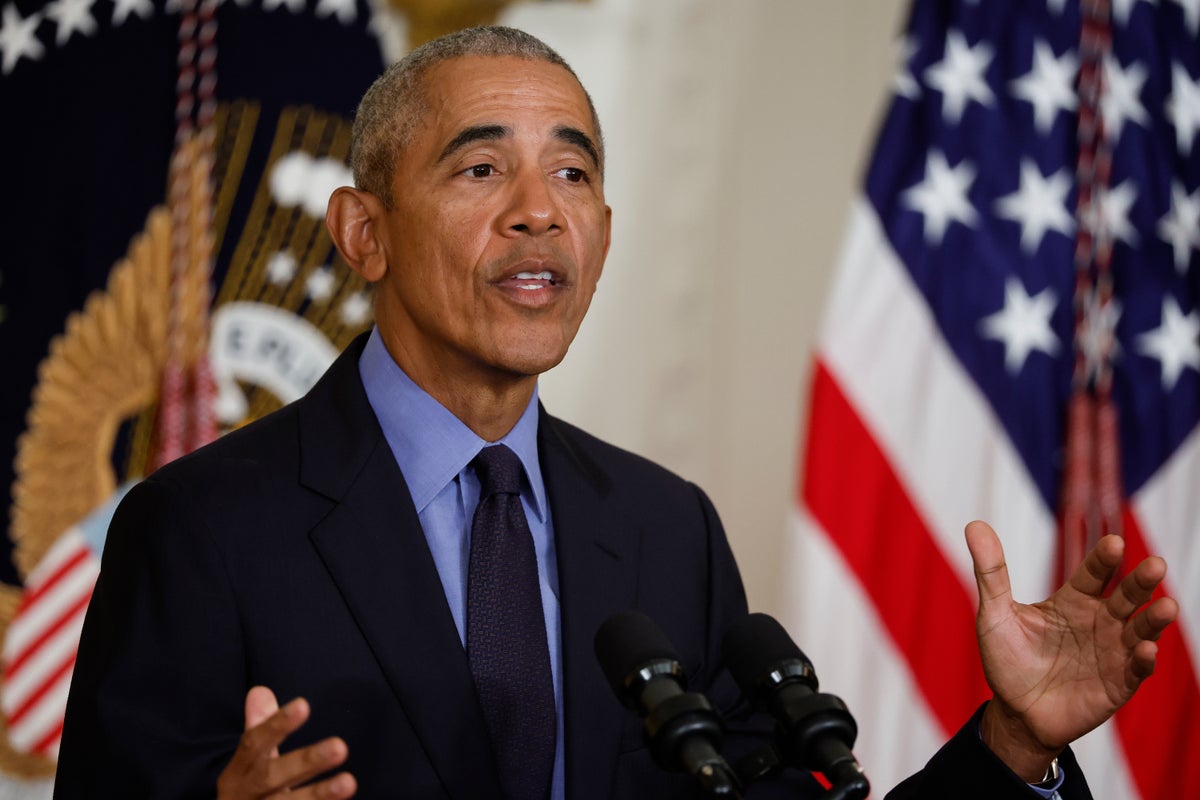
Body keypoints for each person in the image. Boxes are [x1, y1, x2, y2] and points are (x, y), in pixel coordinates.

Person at [55, 25, 1178, 800]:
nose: (540, 213)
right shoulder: (200, 530)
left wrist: (1015, 740)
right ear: (363, 232)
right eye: (482, 168)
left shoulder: (662, 528)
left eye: (575, 175)